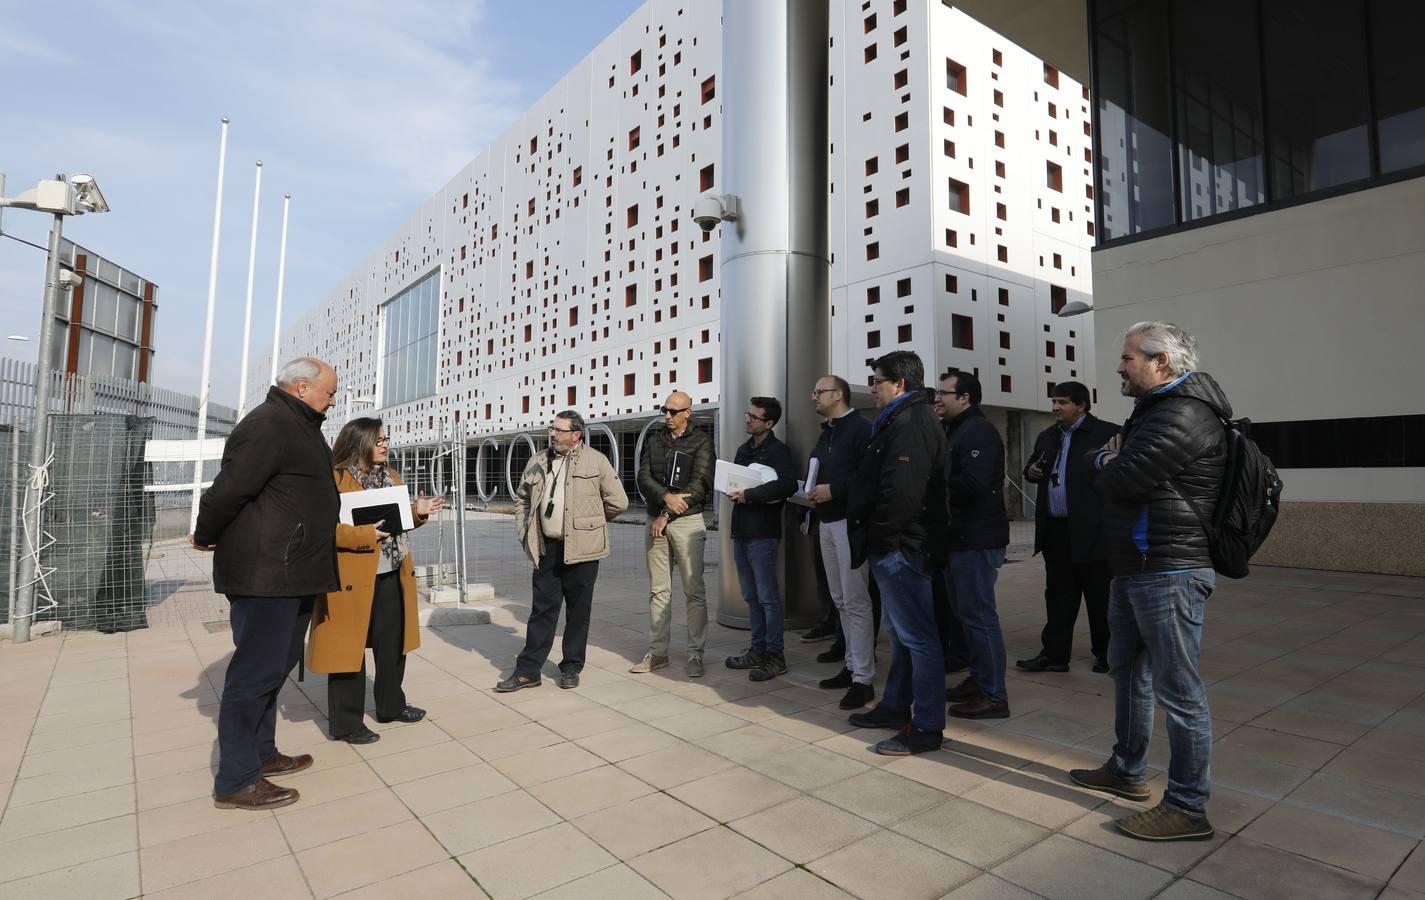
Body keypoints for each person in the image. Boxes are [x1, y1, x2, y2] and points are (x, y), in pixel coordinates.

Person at [1070, 322, 1228, 842]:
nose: (1119, 367)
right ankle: (1127, 770)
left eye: (1128, 358)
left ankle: (1187, 807)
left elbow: (1120, 480)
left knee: (1179, 691)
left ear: (1162, 363)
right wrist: (1111, 457)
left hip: (1169, 571)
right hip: (1137, 567)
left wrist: (1107, 458)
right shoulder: (1155, 410)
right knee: (1129, 673)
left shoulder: (1184, 413)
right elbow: (1116, 470)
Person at [193, 356, 341, 811]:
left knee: (275, 668)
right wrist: (205, 533)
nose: (332, 400)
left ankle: (262, 754)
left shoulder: (298, 424)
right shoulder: (269, 424)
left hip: (292, 569)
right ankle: (236, 778)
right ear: (301, 387)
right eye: (329, 392)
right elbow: (230, 489)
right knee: (254, 674)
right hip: (268, 571)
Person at [307, 418, 443, 744]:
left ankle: (391, 706)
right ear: (359, 442)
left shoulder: (391, 476)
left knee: (393, 646)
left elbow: (396, 520)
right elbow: (321, 529)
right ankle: (346, 723)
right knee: (348, 652)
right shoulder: (335, 479)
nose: (385, 444)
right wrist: (364, 535)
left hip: (392, 574)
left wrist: (418, 511)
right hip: (350, 580)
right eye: (378, 439)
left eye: (386, 439)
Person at [845, 351, 948, 756]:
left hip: (903, 547)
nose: (872, 388)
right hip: (899, 545)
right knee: (904, 638)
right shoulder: (901, 419)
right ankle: (893, 706)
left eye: (877, 380)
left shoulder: (910, 422)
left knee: (919, 639)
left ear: (899, 384)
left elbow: (901, 494)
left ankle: (926, 727)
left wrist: (882, 540)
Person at [499, 410, 628, 691]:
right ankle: (528, 671)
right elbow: (521, 498)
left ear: (576, 435)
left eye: (559, 430)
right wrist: (524, 530)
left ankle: (571, 666)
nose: (552, 434)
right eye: (551, 429)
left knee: (578, 613)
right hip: (548, 549)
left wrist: (589, 524)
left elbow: (618, 501)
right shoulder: (538, 461)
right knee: (541, 611)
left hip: (583, 551)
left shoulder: (597, 461)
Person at [1017, 381, 1119, 674]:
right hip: (1056, 532)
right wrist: (1031, 471)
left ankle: (1107, 654)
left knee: (1101, 597)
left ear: (1081, 405)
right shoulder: (1048, 435)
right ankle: (1055, 655)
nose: (1055, 408)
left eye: (1062, 402)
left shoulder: (1106, 433)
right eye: (1054, 402)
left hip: (1094, 531)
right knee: (1059, 596)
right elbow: (1032, 467)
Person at [937, 371, 1013, 720]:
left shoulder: (978, 430)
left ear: (965, 397)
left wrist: (929, 478)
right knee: (966, 614)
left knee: (980, 616)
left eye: (944, 393)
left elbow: (972, 483)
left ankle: (994, 695)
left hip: (977, 539)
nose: (938, 399)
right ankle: (979, 679)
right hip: (959, 538)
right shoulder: (955, 429)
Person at [632, 391, 715, 677]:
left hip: (687, 523)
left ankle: (695, 654)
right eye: (664, 410)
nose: (667, 415)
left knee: (694, 592)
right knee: (658, 591)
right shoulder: (655, 439)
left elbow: (700, 485)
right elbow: (643, 477)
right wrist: (665, 498)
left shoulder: (702, 441)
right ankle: (657, 653)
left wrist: (667, 513)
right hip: (655, 520)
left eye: (673, 411)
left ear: (687, 413)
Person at [806, 375, 877, 709]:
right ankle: (851, 667)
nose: (813, 397)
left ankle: (863, 679)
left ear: (838, 395)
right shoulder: (827, 433)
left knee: (856, 599)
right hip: (826, 521)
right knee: (840, 599)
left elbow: (869, 477)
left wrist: (834, 490)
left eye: (819, 392)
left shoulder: (861, 430)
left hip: (851, 523)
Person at [724, 397, 798, 681]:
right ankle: (757, 650)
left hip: (763, 534)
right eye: (748, 414)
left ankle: (775, 656)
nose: (748, 419)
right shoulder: (744, 450)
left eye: (754, 417)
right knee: (751, 596)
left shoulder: (779, 451)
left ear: (769, 423)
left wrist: (751, 495)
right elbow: (735, 480)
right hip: (740, 531)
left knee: (768, 598)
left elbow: (788, 485)